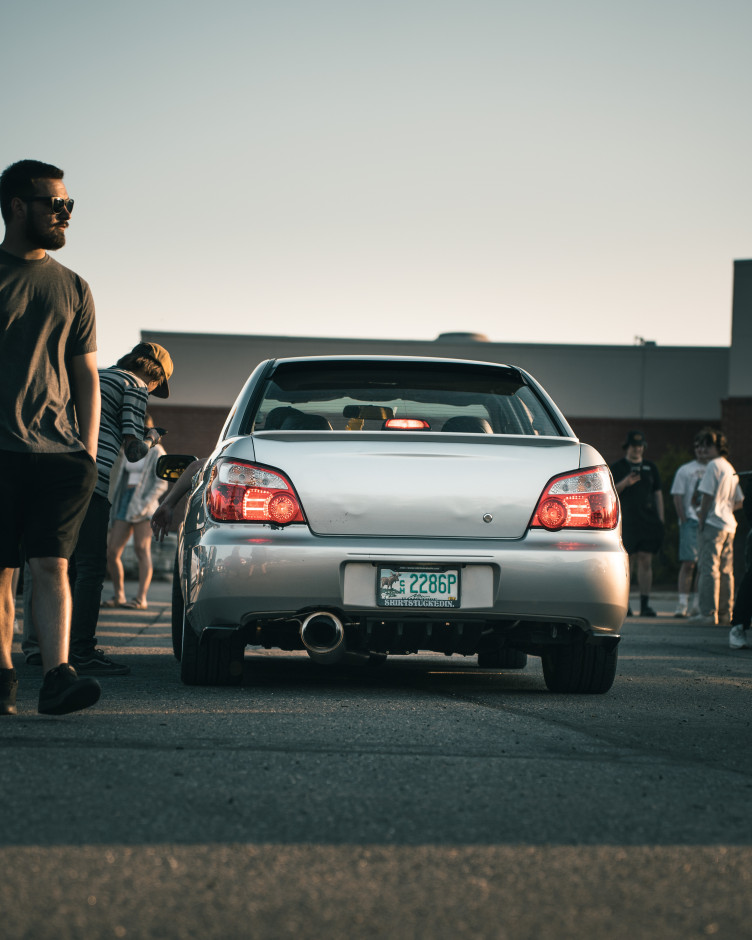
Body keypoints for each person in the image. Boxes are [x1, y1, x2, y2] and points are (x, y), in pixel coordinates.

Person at [0, 159, 101, 716]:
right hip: (0, 452)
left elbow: (86, 375)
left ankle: (57, 677)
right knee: (2, 571)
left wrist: (86, 452)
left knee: (52, 565)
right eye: (52, 204)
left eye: (68, 205)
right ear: (18, 207)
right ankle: (2, 677)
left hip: (60, 456)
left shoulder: (74, 287)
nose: (63, 213)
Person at [67, 343, 173, 677]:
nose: (154, 391)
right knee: (91, 568)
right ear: (154, 375)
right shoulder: (135, 386)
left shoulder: (98, 375)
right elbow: (134, 451)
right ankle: (82, 651)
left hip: (55, 471)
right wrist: (152, 436)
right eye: (159, 385)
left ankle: (50, 649)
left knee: (59, 565)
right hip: (89, 477)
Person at [105, 414, 168, 610]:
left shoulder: (157, 451)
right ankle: (119, 596)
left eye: (145, 429)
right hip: (125, 501)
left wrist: (143, 503)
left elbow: (160, 484)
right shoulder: (127, 450)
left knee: (142, 549)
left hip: (144, 505)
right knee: (112, 551)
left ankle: (141, 599)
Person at [689, 430, 743, 627]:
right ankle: (726, 612)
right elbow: (740, 500)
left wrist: (702, 517)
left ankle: (708, 613)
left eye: (708, 445)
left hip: (713, 523)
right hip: (729, 524)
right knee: (726, 570)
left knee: (708, 568)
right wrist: (726, 507)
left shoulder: (713, 465)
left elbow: (707, 495)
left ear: (716, 447)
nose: (705, 449)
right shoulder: (729, 467)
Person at [610, 430, 664, 617]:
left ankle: (645, 603)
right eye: (634, 446)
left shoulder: (650, 467)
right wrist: (625, 482)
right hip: (627, 521)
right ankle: (625, 604)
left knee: (645, 560)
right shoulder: (617, 467)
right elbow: (610, 492)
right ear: (628, 447)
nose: (637, 449)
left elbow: (658, 494)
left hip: (647, 520)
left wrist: (660, 519)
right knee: (628, 562)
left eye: (640, 446)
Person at [670, 430, 714, 617]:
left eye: (704, 446)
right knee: (688, 563)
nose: (701, 450)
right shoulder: (686, 470)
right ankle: (682, 604)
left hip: (711, 522)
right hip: (691, 521)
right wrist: (684, 518)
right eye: (697, 446)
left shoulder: (716, 468)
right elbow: (677, 496)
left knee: (704, 565)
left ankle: (697, 604)